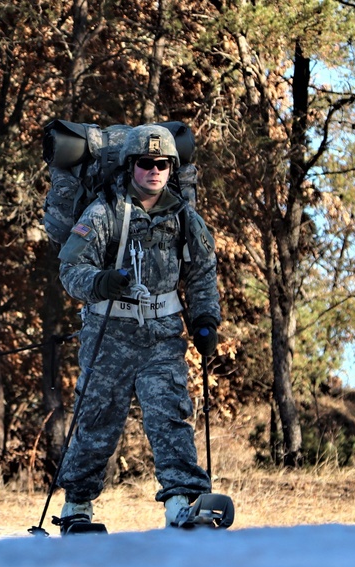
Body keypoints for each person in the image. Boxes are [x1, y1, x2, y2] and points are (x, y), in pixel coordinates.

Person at [54, 123, 221, 531]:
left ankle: (182, 503)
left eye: (162, 163)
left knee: (171, 416)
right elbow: (70, 267)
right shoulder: (104, 211)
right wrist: (100, 282)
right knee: (96, 420)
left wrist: (205, 319)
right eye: (146, 163)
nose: (154, 170)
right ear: (131, 166)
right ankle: (77, 507)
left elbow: (202, 272)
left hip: (163, 334)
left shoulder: (184, 216)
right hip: (109, 333)